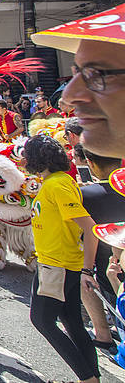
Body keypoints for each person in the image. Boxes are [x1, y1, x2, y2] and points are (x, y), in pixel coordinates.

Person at [23, 135, 99, 383]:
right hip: (59, 263)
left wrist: (87, 270)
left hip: (57, 265)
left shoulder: (56, 185)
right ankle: (91, 378)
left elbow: (90, 228)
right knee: (72, 322)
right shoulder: (58, 181)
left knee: (42, 321)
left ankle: (87, 378)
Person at [77, 145, 125, 352]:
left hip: (108, 275)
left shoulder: (83, 194)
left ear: (90, 163)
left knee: (82, 274)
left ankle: (102, 333)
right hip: (115, 273)